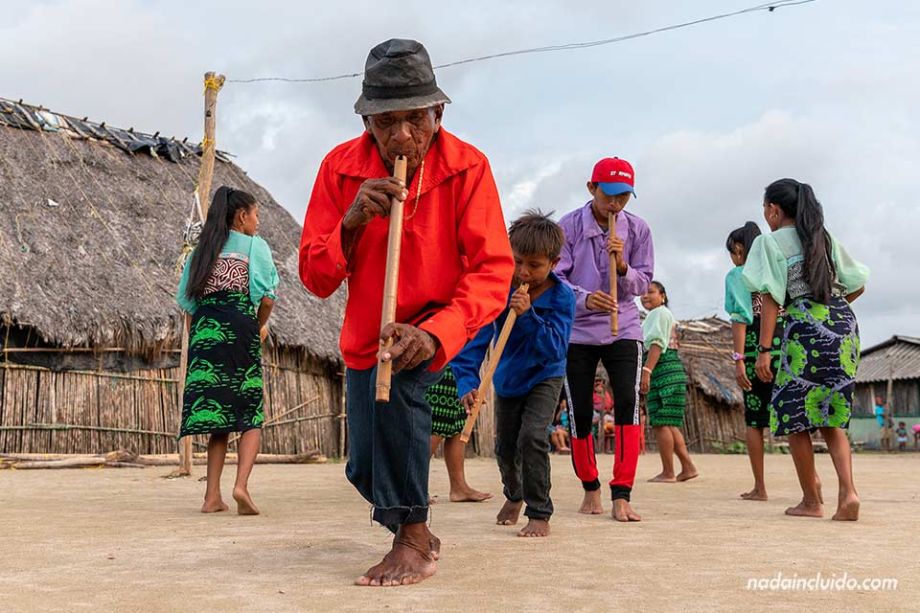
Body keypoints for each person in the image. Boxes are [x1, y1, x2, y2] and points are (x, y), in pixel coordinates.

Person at [299, 39, 513, 586]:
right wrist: (349, 225)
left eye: (414, 119)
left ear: (436, 113)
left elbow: (492, 271)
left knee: (403, 406)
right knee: (363, 468)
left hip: (433, 329)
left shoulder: (468, 167)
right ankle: (409, 518)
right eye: (386, 121)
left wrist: (437, 332)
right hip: (366, 337)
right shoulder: (339, 169)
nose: (401, 136)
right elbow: (315, 277)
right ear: (367, 120)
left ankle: (413, 539)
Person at [743, 178, 869, 521]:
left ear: (773, 210)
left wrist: (765, 350)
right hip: (843, 325)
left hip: (804, 330)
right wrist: (830, 307)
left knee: (794, 414)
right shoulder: (823, 238)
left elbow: (769, 297)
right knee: (830, 414)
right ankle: (848, 493)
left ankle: (812, 501)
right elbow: (857, 283)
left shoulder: (770, 244)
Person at [452, 210, 576, 538]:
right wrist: (467, 382)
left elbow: (554, 349)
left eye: (534, 265)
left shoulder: (562, 297)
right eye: (517, 261)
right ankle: (514, 494)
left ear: (554, 262)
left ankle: (539, 512)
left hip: (545, 375)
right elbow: (475, 339)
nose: (523, 272)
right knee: (505, 447)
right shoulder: (499, 289)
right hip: (507, 379)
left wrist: (527, 316)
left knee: (532, 436)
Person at [556, 157, 654, 522]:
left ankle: (622, 493)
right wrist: (584, 297)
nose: (615, 204)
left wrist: (624, 268)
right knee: (579, 410)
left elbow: (644, 283)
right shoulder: (567, 227)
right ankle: (590, 487)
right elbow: (555, 278)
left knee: (627, 404)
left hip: (624, 327)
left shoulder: (639, 230)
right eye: (609, 195)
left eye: (624, 196)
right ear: (591, 188)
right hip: (578, 330)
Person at [176, 186, 279, 516]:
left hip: (206, 332)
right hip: (239, 327)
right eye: (256, 215)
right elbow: (267, 296)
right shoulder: (253, 247)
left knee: (217, 415)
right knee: (250, 413)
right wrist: (258, 326)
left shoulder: (201, 251)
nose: (258, 222)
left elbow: (187, 304)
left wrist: (201, 341)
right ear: (241, 216)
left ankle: (210, 497)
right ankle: (240, 486)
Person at [724, 221, 783, 501]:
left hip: (754, 346)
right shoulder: (776, 268)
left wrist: (738, 360)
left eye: (732, 252)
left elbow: (740, 318)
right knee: (795, 418)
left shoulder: (738, 274)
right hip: (784, 343)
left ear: (738, 249)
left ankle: (760, 487)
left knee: (755, 420)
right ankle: (813, 483)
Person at [640, 281, 698, 483]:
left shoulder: (659, 313)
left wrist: (647, 370)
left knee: (661, 422)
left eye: (651, 292)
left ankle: (668, 472)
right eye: (643, 293)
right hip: (669, 368)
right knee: (670, 423)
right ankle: (688, 467)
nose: (645, 296)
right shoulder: (659, 315)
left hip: (662, 368)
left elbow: (656, 343)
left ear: (662, 295)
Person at [425, 365, 492, 502]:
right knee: (436, 424)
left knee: (458, 426)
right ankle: (413, 488)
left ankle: (458, 487)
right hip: (444, 362)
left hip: (460, 365)